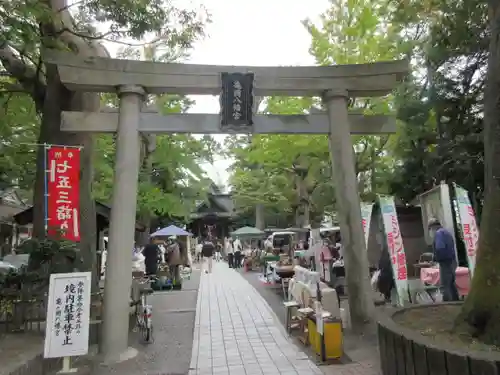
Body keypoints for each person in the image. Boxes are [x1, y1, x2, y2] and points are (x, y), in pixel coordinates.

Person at [428, 218, 460, 301]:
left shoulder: (439, 234)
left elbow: (440, 248)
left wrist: (435, 259)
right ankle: (456, 302)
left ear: (433, 227)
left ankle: (447, 304)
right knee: (452, 284)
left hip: (445, 263)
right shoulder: (447, 233)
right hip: (452, 262)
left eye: (430, 229)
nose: (430, 231)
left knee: (445, 285)